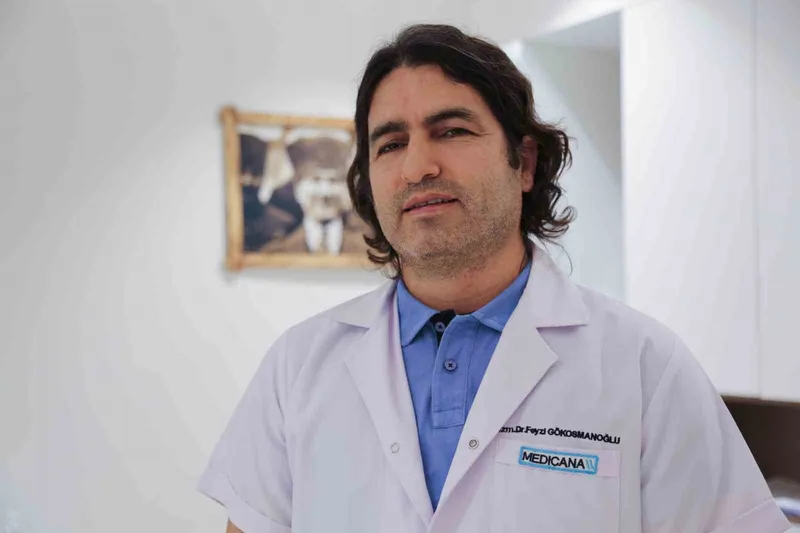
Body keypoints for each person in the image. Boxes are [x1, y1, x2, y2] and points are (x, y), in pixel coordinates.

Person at [198, 24, 792, 533]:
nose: (418, 166)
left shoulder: (645, 367)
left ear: (524, 162)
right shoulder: (298, 368)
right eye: (391, 144)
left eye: (451, 131)